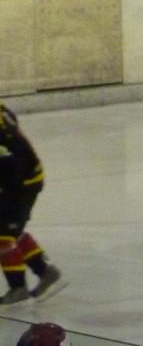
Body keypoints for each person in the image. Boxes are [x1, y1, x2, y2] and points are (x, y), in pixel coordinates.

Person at [0, 104, 63, 305]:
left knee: (3, 233)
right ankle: (46, 272)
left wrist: (10, 190)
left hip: (22, 183)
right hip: (22, 179)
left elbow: (12, 160)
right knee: (12, 230)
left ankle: (18, 288)